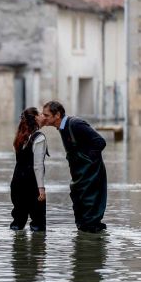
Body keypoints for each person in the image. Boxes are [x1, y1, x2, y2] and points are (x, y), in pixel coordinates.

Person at [42, 100, 107, 233]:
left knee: (90, 214)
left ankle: (92, 246)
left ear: (57, 115)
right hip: (79, 177)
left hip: (91, 175)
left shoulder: (76, 124)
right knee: (80, 209)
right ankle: (83, 246)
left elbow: (100, 142)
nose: (44, 118)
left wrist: (88, 161)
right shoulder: (61, 128)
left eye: (46, 115)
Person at [10, 107, 48, 232]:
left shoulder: (20, 137)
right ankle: (37, 250)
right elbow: (38, 165)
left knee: (18, 223)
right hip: (32, 186)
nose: (44, 115)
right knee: (38, 225)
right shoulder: (39, 138)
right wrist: (41, 189)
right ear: (36, 118)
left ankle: (17, 250)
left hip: (16, 184)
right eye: (41, 113)